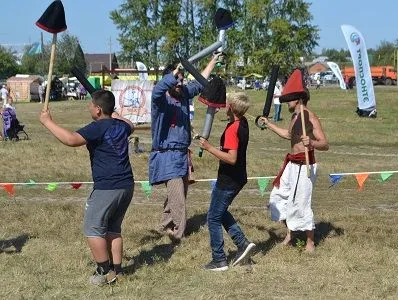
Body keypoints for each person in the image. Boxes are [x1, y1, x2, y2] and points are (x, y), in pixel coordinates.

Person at [39, 90, 135, 286]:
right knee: (113, 229)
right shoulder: (121, 126)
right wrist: (114, 114)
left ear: (98, 109)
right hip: (126, 185)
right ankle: (118, 270)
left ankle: (104, 272)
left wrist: (47, 122)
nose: (88, 107)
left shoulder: (97, 127)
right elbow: (131, 125)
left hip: (107, 187)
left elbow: (71, 140)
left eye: (91, 105)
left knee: (93, 229)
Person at [150, 53, 221, 242]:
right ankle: (179, 235)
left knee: (178, 194)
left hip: (182, 154)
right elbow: (158, 89)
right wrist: (175, 73)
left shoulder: (182, 95)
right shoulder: (159, 100)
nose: (180, 84)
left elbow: (199, 83)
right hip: (167, 155)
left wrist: (212, 62)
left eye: (181, 81)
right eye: (176, 80)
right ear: (168, 80)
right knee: (178, 199)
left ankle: (164, 225)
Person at [260, 69, 329, 251]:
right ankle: (291, 233)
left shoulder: (309, 116)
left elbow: (325, 144)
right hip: (291, 164)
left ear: (297, 99)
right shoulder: (294, 116)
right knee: (278, 196)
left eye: (289, 99)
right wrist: (269, 124)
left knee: (301, 202)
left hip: (305, 165)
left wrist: (311, 142)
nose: (286, 103)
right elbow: (288, 134)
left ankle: (310, 242)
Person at [199, 92, 256, 271]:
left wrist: (209, 148)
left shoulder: (232, 129)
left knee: (213, 217)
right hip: (237, 176)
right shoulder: (242, 122)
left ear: (231, 107)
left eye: (227, 103)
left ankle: (219, 260)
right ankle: (242, 243)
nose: (225, 105)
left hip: (229, 179)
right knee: (220, 212)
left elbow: (231, 158)